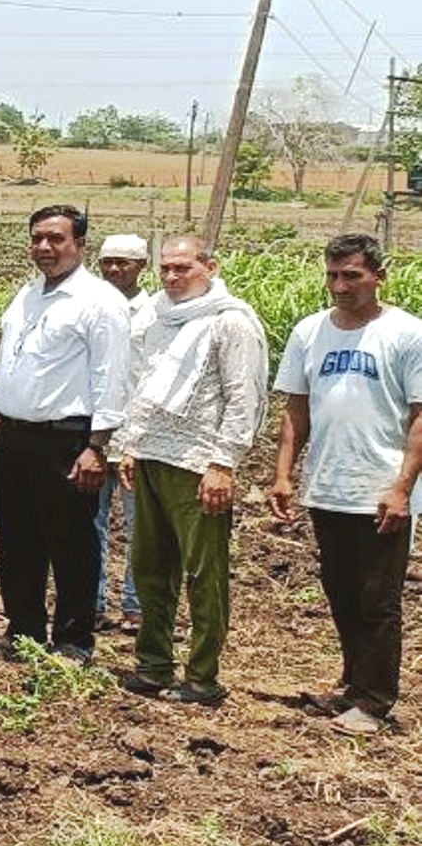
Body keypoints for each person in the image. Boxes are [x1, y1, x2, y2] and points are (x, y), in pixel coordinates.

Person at [270, 233, 421, 736]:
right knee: (341, 591)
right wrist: (284, 474)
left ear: (379, 277)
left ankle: (375, 701)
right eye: (333, 275)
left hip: (380, 488)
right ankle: (354, 684)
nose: (340, 285)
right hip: (328, 483)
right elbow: (296, 410)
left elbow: (420, 418)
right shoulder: (310, 332)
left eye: (352, 275)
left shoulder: (407, 334)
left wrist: (402, 488)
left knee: (378, 599)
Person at [110, 235, 264, 706]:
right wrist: (131, 445)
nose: (172, 277)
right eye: (166, 269)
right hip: (151, 455)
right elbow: (142, 384)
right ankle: (153, 663)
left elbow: (243, 397)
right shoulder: (156, 317)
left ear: (209, 268)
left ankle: (202, 676)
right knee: (150, 568)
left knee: (203, 574)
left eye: (183, 268)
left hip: (198, 463)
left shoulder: (230, 321)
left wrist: (223, 463)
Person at [0, 205, 129, 663]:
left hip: (67, 438)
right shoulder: (27, 295)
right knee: (17, 538)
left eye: (56, 239)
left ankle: (73, 639)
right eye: (37, 238)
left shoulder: (99, 301)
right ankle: (23, 629)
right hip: (16, 436)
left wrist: (97, 446)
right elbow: (7, 358)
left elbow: (111, 376)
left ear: (79, 245)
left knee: (71, 542)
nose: (44, 247)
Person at [92, 233, 150, 633]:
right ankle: (92, 602)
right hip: (94, 434)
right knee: (88, 524)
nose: (114, 269)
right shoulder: (92, 305)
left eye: (123, 263)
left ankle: (136, 605)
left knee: (139, 526)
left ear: (141, 266)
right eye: (107, 262)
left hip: (136, 433)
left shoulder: (154, 313)